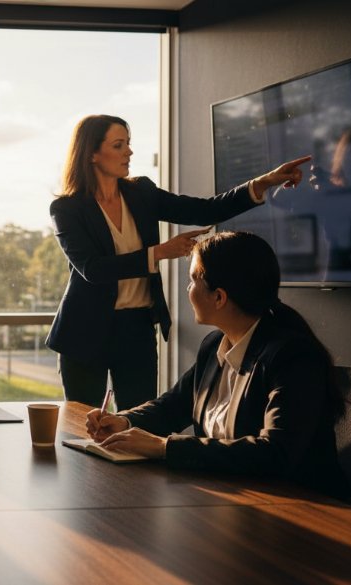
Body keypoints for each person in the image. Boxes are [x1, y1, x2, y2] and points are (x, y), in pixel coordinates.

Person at [47, 114, 312, 410]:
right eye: (119, 145)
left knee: (137, 423)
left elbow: (204, 210)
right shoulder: (66, 209)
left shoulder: (141, 192)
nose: (129, 152)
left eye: (128, 144)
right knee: (81, 429)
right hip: (84, 332)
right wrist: (158, 252)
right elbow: (93, 269)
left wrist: (260, 184)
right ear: (92, 154)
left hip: (138, 329)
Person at [85, 231, 349, 497]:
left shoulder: (293, 357)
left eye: (192, 281)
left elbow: (274, 453)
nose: (188, 290)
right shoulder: (214, 345)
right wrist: (123, 421)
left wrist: (165, 447)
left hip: (300, 508)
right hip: (228, 499)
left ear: (219, 297)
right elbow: (174, 405)